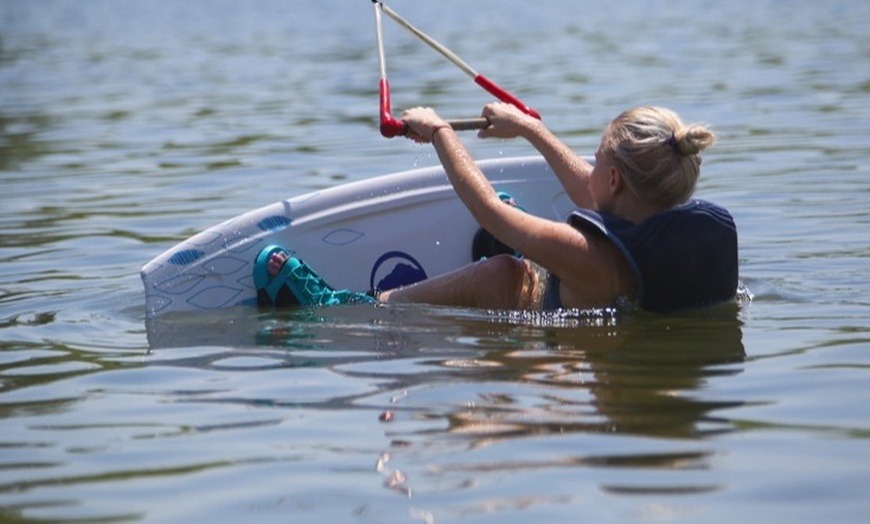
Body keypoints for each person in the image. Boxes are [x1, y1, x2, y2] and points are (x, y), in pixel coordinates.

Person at [254, 103, 738, 314]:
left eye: (597, 159)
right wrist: (529, 128)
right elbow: (594, 198)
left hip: (557, 327)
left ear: (613, 178)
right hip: (602, 304)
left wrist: (440, 132)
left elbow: (488, 209)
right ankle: (519, 243)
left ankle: (351, 309)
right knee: (524, 244)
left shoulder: (587, 256)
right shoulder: (658, 224)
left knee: (505, 274)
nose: (589, 169)